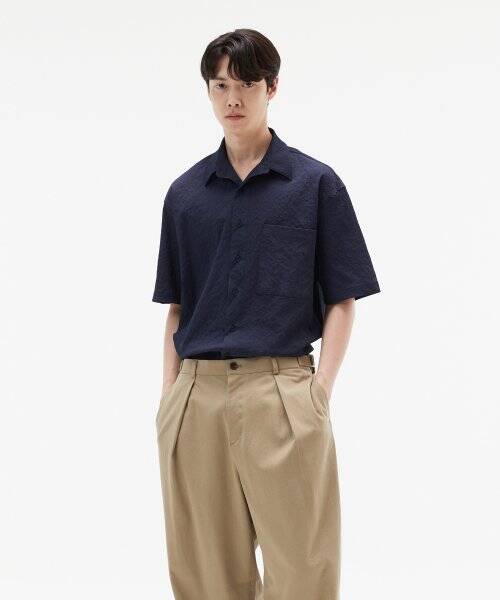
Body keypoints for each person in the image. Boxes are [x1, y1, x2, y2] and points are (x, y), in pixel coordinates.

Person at [152, 28, 380, 600]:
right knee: (206, 576)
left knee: (303, 570)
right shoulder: (185, 194)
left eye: (247, 84)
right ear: (208, 91)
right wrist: (169, 400)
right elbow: (177, 307)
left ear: (272, 87)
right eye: (220, 86)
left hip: (282, 393)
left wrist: (318, 392)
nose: (233, 99)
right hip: (196, 398)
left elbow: (343, 298)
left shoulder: (314, 184)